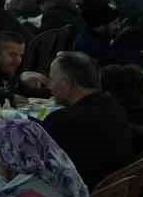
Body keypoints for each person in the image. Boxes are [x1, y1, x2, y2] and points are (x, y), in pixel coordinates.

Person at [42, 51, 135, 187]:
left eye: (51, 79)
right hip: (115, 190)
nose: (49, 86)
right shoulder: (114, 105)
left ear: (67, 84)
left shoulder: (62, 121)